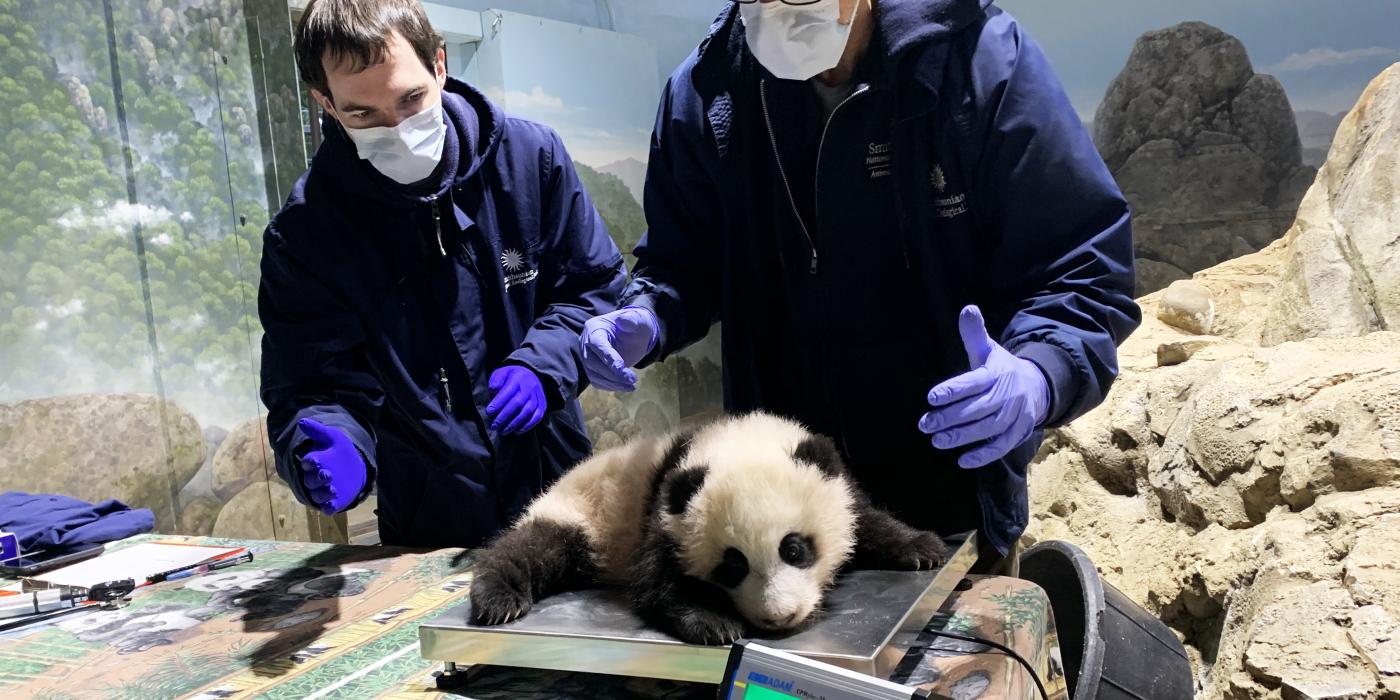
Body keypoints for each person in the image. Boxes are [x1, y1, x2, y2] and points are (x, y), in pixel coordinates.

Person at [579, 0, 1140, 574]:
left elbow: (1081, 264)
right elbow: (682, 261)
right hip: (776, 519)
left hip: (947, 507)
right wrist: (651, 314)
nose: (773, 11)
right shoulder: (708, 93)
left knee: (959, 662)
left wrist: (1041, 373)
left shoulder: (977, 64)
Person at [259, 0, 625, 547]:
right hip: (428, 518)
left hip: (559, 491)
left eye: (411, 99)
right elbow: (311, 384)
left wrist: (544, 365)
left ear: (439, 64)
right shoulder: (307, 234)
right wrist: (332, 443)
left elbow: (595, 289)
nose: (399, 130)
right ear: (326, 103)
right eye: (364, 114)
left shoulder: (530, 160)